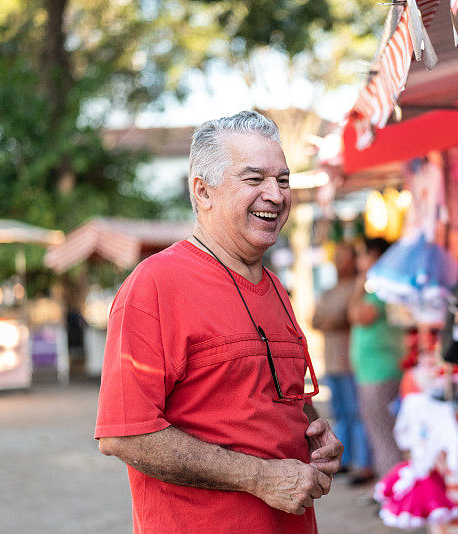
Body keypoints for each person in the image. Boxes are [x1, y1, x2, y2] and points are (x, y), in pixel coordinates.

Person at [95, 111, 343, 534]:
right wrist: (261, 477)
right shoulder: (155, 284)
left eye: (283, 180)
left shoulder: (276, 288)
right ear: (203, 191)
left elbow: (271, 394)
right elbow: (124, 434)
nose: (276, 195)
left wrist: (314, 431)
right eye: (255, 179)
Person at [311, 242, 374, 485]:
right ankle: (345, 460)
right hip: (332, 361)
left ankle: (363, 464)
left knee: (356, 414)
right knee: (340, 413)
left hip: (350, 362)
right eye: (337, 257)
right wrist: (331, 319)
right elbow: (315, 319)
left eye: (345, 257)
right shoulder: (330, 290)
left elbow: (344, 316)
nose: (340, 262)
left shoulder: (357, 289)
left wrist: (331, 319)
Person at [348, 238, 405, 478]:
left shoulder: (382, 288)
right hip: (372, 372)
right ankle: (391, 488)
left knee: (385, 435)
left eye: (365, 255)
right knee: (380, 433)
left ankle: (394, 488)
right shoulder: (378, 286)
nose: (360, 261)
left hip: (381, 372)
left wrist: (361, 283)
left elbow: (357, 315)